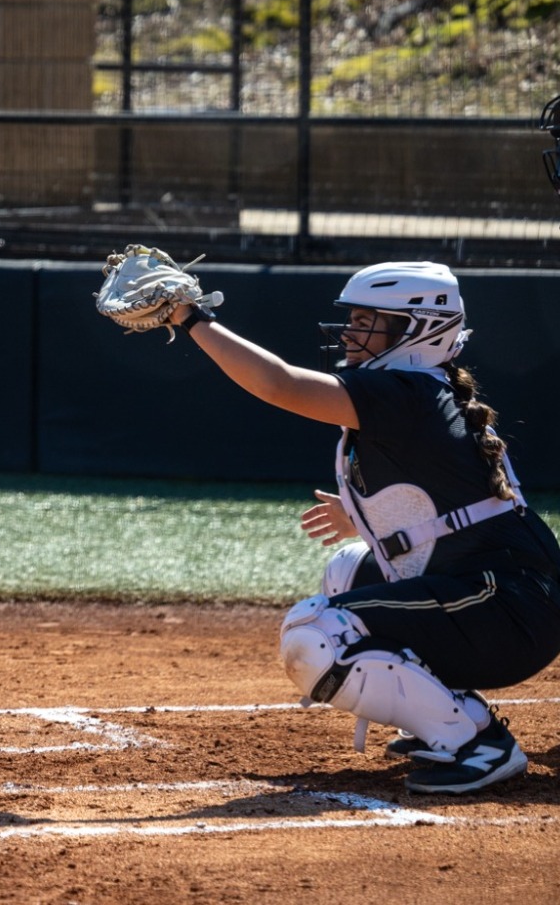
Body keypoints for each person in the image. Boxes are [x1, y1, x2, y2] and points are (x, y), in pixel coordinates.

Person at [159, 261, 560, 794]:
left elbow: (278, 383)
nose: (351, 331)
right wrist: (362, 517)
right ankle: (452, 717)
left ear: (418, 329)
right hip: (505, 599)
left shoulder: (408, 391)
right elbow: (461, 501)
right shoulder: (418, 392)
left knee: (315, 637)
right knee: (347, 573)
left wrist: (191, 318)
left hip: (507, 611)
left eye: (369, 319)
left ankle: (478, 745)